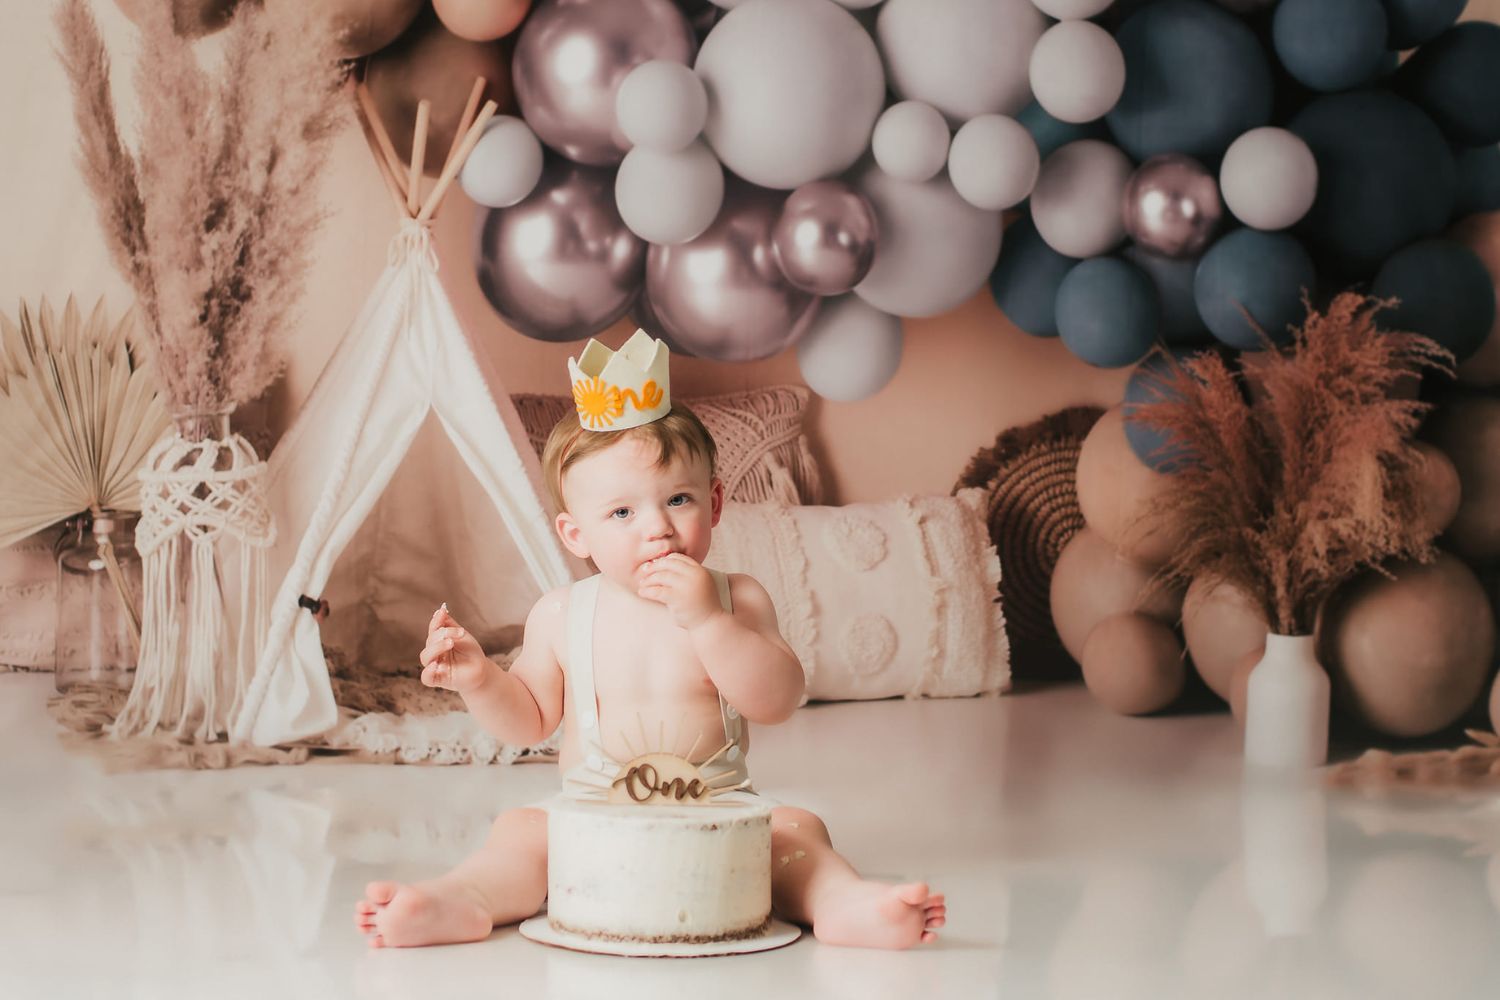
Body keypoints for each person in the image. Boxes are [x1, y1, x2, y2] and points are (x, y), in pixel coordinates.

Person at [354, 331, 946, 950]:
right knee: (520, 832)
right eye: (622, 514)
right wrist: (480, 682)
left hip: (716, 811)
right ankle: (461, 900)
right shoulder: (561, 614)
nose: (659, 529)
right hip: (594, 815)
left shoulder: (737, 599)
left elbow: (778, 699)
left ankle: (843, 903)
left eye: (679, 499)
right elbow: (529, 720)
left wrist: (709, 624)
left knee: (798, 830)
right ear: (575, 534)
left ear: (715, 504)